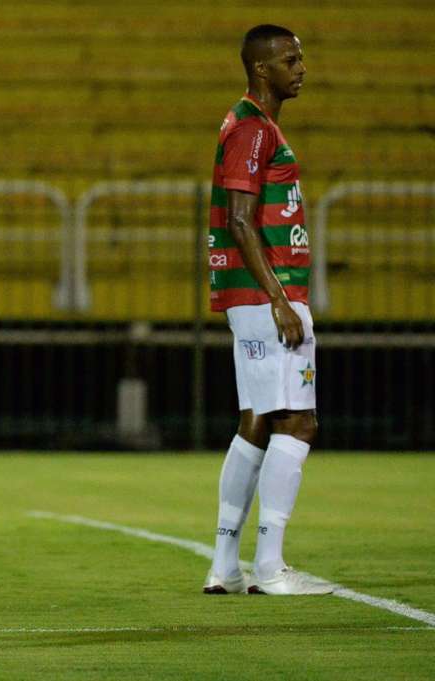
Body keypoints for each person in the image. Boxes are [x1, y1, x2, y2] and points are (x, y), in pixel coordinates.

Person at [203, 25, 330, 596]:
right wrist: (281, 298)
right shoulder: (254, 128)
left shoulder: (250, 124)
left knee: (256, 418)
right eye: (289, 59)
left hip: (249, 297)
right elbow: (238, 219)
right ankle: (272, 568)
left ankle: (225, 565)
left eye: (300, 58)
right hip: (266, 296)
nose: (300, 67)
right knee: (298, 421)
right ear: (261, 70)